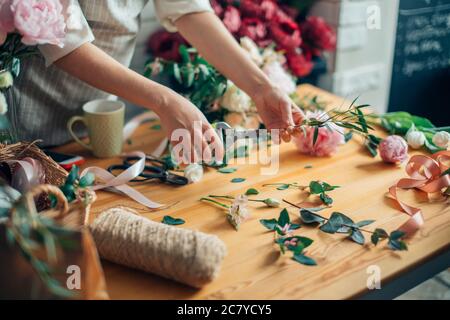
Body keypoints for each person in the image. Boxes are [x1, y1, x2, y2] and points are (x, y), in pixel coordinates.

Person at [15, 0, 305, 162]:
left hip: (95, 117)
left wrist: (261, 87)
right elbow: (64, 43)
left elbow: (189, 9)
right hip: (23, 116)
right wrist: (163, 100)